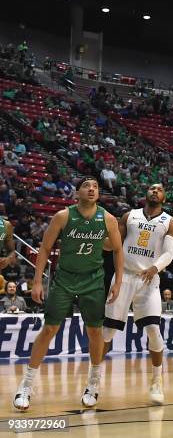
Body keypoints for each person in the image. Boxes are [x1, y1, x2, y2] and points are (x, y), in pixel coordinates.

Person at [13, 176, 124, 411]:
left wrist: (118, 281)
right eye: (87, 186)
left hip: (93, 281)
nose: (92, 189)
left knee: (95, 332)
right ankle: (26, 384)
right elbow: (44, 248)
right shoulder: (63, 216)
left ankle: (93, 383)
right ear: (77, 193)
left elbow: (117, 250)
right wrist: (37, 281)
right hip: (64, 279)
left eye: (95, 186)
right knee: (49, 329)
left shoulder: (108, 219)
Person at [102, 183, 173, 405]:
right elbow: (113, 244)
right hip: (123, 276)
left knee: (153, 329)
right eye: (152, 188)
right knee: (107, 334)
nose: (155, 191)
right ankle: (93, 381)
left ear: (164, 196)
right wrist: (95, 238)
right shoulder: (129, 215)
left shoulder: (170, 222)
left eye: (160, 190)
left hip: (149, 279)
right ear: (145, 193)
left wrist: (156, 267)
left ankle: (157, 381)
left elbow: (169, 253)